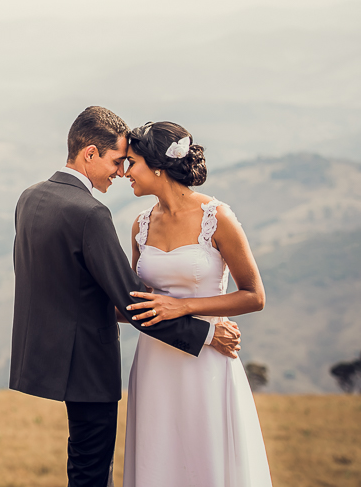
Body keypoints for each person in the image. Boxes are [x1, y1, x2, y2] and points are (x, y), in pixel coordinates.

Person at [9, 106, 242, 487]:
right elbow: (132, 302)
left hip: (47, 357)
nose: (120, 172)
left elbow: (59, 282)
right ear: (89, 154)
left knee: (82, 464)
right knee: (90, 472)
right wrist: (206, 333)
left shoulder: (30, 198)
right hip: (88, 365)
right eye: (117, 161)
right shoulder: (90, 213)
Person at [121, 121, 272, 486]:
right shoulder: (140, 225)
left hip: (207, 363)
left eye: (132, 163)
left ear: (158, 166)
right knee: (159, 461)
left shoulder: (217, 218)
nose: (126, 173)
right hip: (155, 362)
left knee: (205, 462)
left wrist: (185, 307)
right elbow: (135, 303)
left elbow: (254, 296)